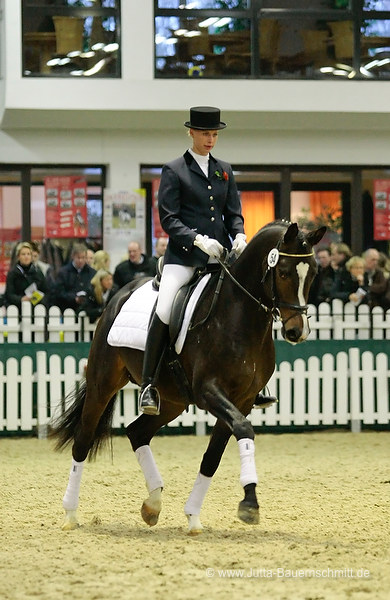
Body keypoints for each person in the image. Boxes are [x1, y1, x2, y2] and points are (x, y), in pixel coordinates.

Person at [138, 106, 248, 415]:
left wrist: (238, 234)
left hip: (220, 259)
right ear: (191, 133)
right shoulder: (174, 170)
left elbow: (233, 213)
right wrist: (197, 239)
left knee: (245, 304)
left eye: (214, 134)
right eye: (205, 134)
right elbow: (168, 219)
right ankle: (148, 385)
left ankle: (253, 380)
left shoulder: (224, 169)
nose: (211, 139)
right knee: (164, 307)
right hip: (183, 259)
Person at [51, 243, 96, 312]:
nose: (81, 260)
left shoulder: (92, 272)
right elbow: (58, 292)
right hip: (68, 309)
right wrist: (74, 298)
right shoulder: (64, 272)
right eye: (78, 258)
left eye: (83, 257)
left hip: (87, 310)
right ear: (73, 256)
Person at [4, 241, 48, 309]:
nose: (26, 256)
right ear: (18, 256)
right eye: (23, 254)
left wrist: (37, 299)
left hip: (36, 309)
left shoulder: (38, 272)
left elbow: (46, 291)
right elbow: (9, 295)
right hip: (17, 309)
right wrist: (22, 299)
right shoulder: (12, 274)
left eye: (28, 254)